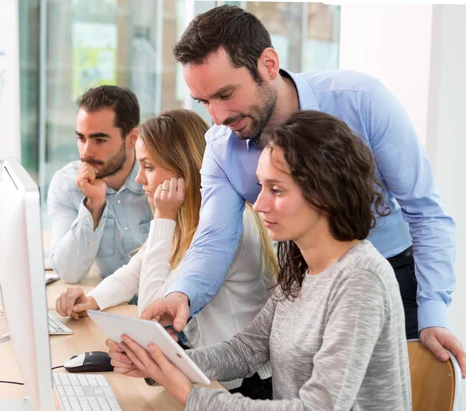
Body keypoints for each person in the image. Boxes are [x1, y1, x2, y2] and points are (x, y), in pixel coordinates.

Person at [138, 5, 466, 376]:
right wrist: (180, 294)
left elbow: (424, 211)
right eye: (204, 102)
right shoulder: (221, 146)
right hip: (302, 275)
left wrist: (433, 312)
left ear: (268, 64)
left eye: (225, 94)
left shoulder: (362, 99)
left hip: (392, 273)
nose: (217, 117)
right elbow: (213, 240)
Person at [109, 110, 412, 410]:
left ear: (324, 193)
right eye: (261, 186)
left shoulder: (360, 279)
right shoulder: (302, 267)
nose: (260, 203)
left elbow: (319, 407)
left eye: (276, 190)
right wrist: (162, 363)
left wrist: (191, 395)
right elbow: (248, 348)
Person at [55, 109, 277, 398]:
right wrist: (93, 300)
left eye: (148, 167)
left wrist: (162, 217)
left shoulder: (224, 227)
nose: (138, 180)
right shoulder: (191, 217)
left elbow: (151, 311)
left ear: (181, 170)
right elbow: (138, 267)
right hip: (208, 369)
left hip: (242, 385)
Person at [47, 86, 153, 283]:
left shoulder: (158, 177)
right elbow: (68, 273)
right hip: (110, 306)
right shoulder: (66, 185)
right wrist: (93, 206)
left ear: (131, 139)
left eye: (99, 140)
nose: (86, 152)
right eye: (81, 138)